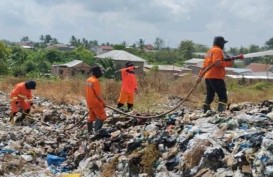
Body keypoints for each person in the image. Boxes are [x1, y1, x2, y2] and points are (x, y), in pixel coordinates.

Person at [199, 36, 234, 113]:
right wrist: (229, 64)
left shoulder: (209, 52)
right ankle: (221, 114)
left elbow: (204, 66)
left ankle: (205, 113)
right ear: (221, 43)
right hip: (216, 77)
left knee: (209, 97)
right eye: (223, 43)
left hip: (208, 77)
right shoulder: (218, 50)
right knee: (223, 97)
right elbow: (217, 62)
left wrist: (199, 76)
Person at [85, 66, 107, 133]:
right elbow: (98, 94)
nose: (101, 74)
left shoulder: (88, 80)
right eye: (100, 72)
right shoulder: (95, 81)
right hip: (96, 102)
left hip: (89, 102)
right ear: (97, 72)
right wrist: (103, 102)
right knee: (102, 116)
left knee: (91, 117)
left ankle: (89, 132)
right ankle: (97, 131)